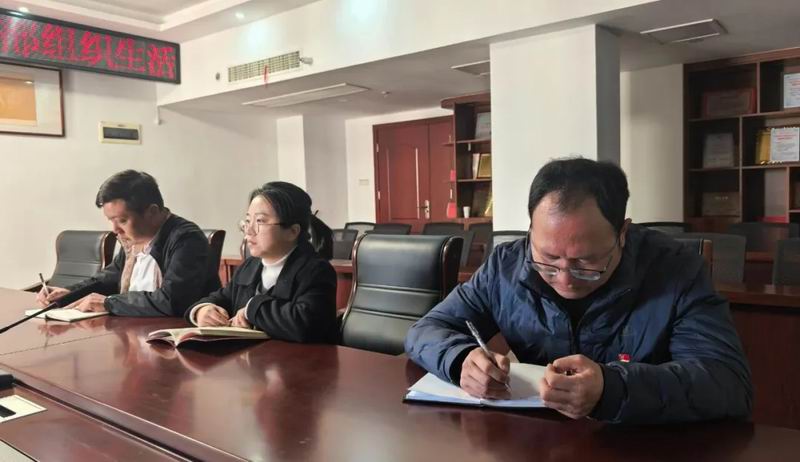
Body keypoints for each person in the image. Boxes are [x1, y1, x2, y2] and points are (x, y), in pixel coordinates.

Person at [405, 157, 752, 424]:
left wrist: (612, 388)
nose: (565, 279)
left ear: (622, 233)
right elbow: (426, 330)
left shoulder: (676, 270)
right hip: (538, 441)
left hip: (640, 443)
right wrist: (460, 360)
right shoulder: (505, 266)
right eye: (547, 258)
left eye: (586, 262)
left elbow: (727, 383)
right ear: (531, 230)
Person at [36, 170, 221, 317]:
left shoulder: (186, 239)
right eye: (111, 221)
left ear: (152, 212)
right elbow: (106, 280)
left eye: (122, 220)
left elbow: (172, 301)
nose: (115, 229)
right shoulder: (132, 241)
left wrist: (109, 303)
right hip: (133, 330)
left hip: (172, 337)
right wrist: (68, 293)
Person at [187, 181, 337, 343]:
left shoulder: (316, 270)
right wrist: (202, 311)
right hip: (251, 356)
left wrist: (252, 308)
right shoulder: (249, 266)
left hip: (297, 358)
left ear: (292, 231)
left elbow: (306, 324)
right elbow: (221, 298)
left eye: (260, 221)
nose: (249, 230)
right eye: (247, 221)